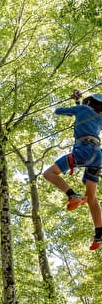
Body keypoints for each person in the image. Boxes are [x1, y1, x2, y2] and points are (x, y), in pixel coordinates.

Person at [43, 92, 102, 250]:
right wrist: (78, 102)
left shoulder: (83, 108)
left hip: (83, 150)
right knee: (91, 197)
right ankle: (99, 233)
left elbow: (59, 111)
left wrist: (73, 104)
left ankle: (72, 195)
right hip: (97, 155)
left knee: (49, 173)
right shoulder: (100, 118)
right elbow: (83, 115)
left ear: (88, 101)